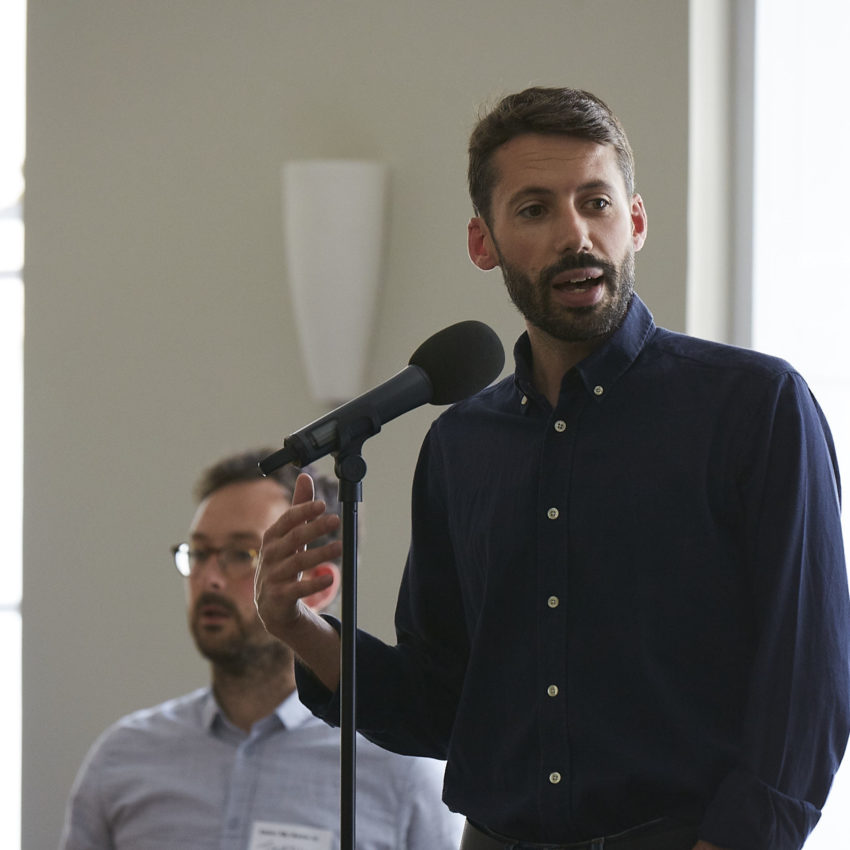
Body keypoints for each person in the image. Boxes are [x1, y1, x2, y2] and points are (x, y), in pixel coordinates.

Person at [253, 87, 850, 850]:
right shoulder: (461, 445)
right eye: (534, 210)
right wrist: (299, 629)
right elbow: (443, 707)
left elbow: (809, 686)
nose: (576, 234)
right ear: (483, 243)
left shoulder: (757, 408)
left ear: (634, 221)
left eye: (596, 202)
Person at [59, 449, 463, 850]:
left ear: (320, 586)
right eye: (199, 553)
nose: (210, 579)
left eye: (241, 554)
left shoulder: (400, 773)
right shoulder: (123, 758)